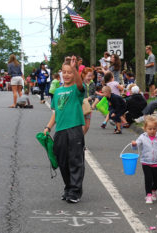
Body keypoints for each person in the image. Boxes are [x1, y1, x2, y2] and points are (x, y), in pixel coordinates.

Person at [43, 56, 85, 203]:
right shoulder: (58, 92)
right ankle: (68, 187)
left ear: (74, 74)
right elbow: (56, 112)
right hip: (60, 131)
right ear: (61, 73)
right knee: (62, 161)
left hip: (74, 129)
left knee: (75, 160)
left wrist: (75, 68)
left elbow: (80, 84)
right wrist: (48, 127)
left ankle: (75, 191)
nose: (67, 75)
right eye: (64, 72)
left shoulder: (77, 89)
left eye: (70, 72)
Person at [131, 116, 157, 204]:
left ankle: (153, 190)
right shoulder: (142, 137)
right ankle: (148, 195)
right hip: (146, 162)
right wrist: (134, 144)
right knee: (148, 179)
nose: (152, 131)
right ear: (145, 129)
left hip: (156, 162)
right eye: (150, 129)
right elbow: (136, 147)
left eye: (154, 129)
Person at [81, 67, 96, 135]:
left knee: (87, 126)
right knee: (82, 125)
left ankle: (80, 139)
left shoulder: (93, 84)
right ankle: (80, 142)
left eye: (91, 76)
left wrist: (90, 97)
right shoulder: (80, 83)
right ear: (84, 75)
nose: (90, 77)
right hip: (81, 106)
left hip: (88, 106)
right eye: (88, 76)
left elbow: (94, 94)